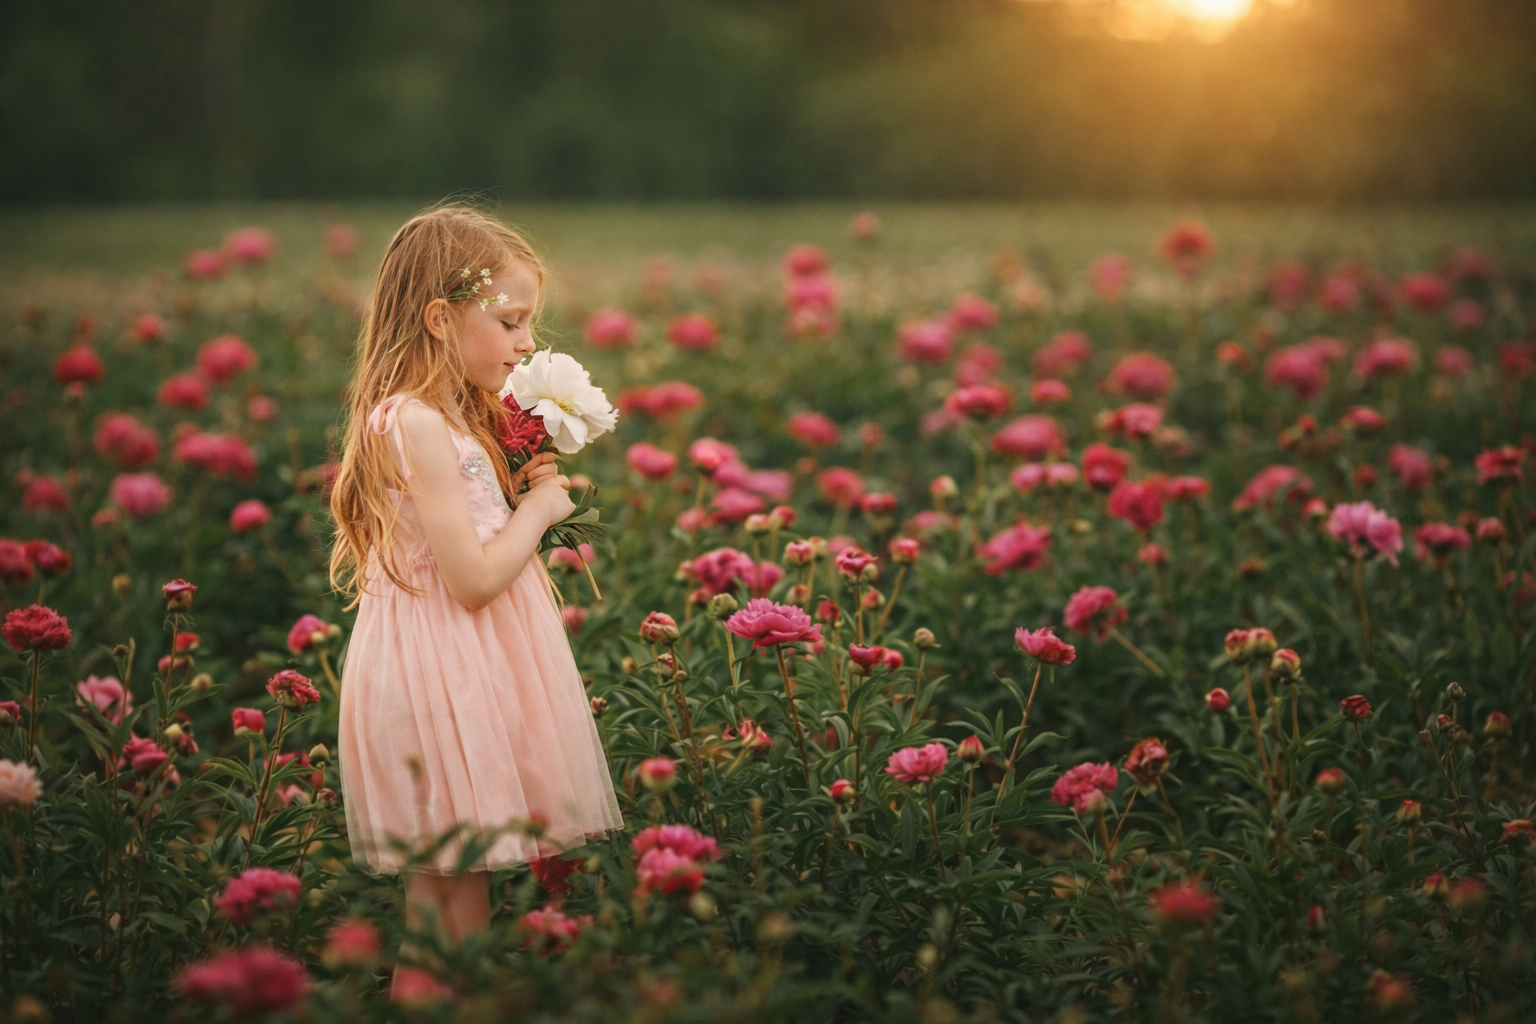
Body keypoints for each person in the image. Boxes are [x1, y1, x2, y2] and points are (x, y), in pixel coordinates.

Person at [328, 204, 623, 999]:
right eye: (510, 320)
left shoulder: (450, 416)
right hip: (440, 681)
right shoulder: (416, 423)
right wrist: (540, 510)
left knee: (460, 904)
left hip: (464, 671)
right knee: (444, 909)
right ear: (438, 318)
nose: (529, 342)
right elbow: (472, 580)